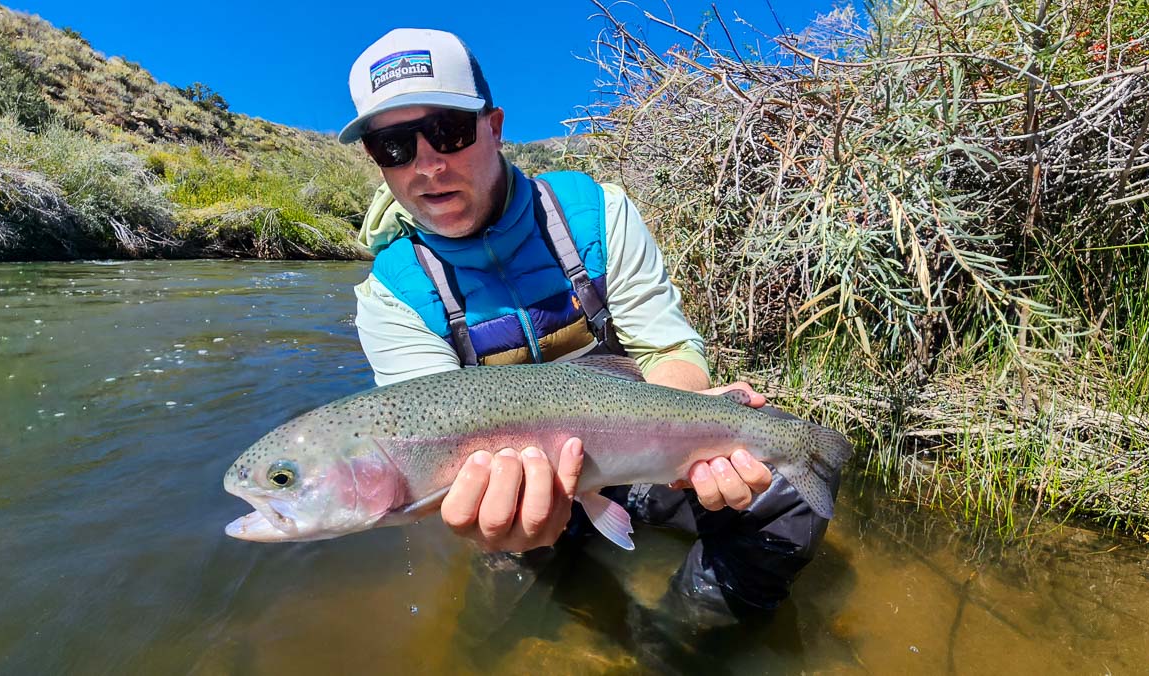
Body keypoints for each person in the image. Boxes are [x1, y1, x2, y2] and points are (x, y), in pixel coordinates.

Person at [339, 28, 839, 623]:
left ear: (494, 127)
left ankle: (683, 638)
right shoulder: (390, 296)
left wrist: (692, 434)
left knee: (786, 497)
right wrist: (502, 524)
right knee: (502, 618)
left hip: (630, 449)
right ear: (377, 159)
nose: (426, 163)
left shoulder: (598, 214)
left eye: (448, 131)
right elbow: (426, 451)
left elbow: (668, 347)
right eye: (392, 146)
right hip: (516, 496)